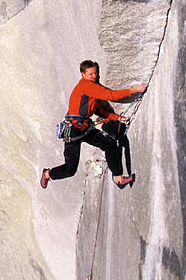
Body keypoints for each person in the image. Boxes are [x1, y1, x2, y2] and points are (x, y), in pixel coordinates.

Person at [40, 60, 148, 189]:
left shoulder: (92, 88)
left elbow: (98, 109)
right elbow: (109, 95)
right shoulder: (86, 86)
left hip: (85, 127)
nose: (94, 76)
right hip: (73, 130)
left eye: (95, 73)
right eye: (91, 74)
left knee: (110, 143)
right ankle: (47, 174)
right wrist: (133, 90)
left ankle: (119, 178)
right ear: (83, 74)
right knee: (70, 170)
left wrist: (116, 117)